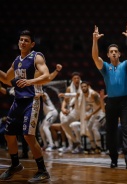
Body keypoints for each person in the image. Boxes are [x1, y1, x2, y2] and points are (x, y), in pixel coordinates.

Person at [0, 30, 51, 182]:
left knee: (28, 136)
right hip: (18, 101)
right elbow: (7, 80)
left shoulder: (37, 56)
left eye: (26, 40)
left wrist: (30, 82)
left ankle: (42, 170)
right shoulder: (16, 61)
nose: (23, 42)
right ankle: (15, 165)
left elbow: (46, 76)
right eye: (21, 40)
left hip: (32, 100)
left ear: (32, 44)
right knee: (8, 134)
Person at [92, 23, 127, 169]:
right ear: (108, 54)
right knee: (111, 132)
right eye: (111, 51)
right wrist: (94, 40)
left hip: (124, 102)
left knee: (126, 130)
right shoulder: (105, 67)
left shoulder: (125, 65)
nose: (113, 53)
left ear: (119, 54)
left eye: (115, 51)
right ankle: (113, 159)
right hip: (111, 103)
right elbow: (94, 57)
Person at [59, 72, 83, 153]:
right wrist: (63, 108)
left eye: (78, 78)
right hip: (74, 110)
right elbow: (65, 101)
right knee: (64, 122)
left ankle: (76, 144)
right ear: (72, 80)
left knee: (69, 124)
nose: (76, 80)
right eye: (75, 78)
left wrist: (65, 94)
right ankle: (74, 143)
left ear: (80, 79)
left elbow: (76, 95)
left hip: (82, 110)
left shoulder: (83, 87)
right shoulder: (69, 88)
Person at [80, 81, 105, 154]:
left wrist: (90, 115)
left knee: (94, 128)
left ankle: (99, 147)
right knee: (88, 127)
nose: (83, 88)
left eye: (84, 86)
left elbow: (101, 106)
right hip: (95, 113)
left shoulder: (93, 94)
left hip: (102, 113)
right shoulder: (84, 94)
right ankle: (93, 147)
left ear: (88, 86)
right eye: (82, 87)